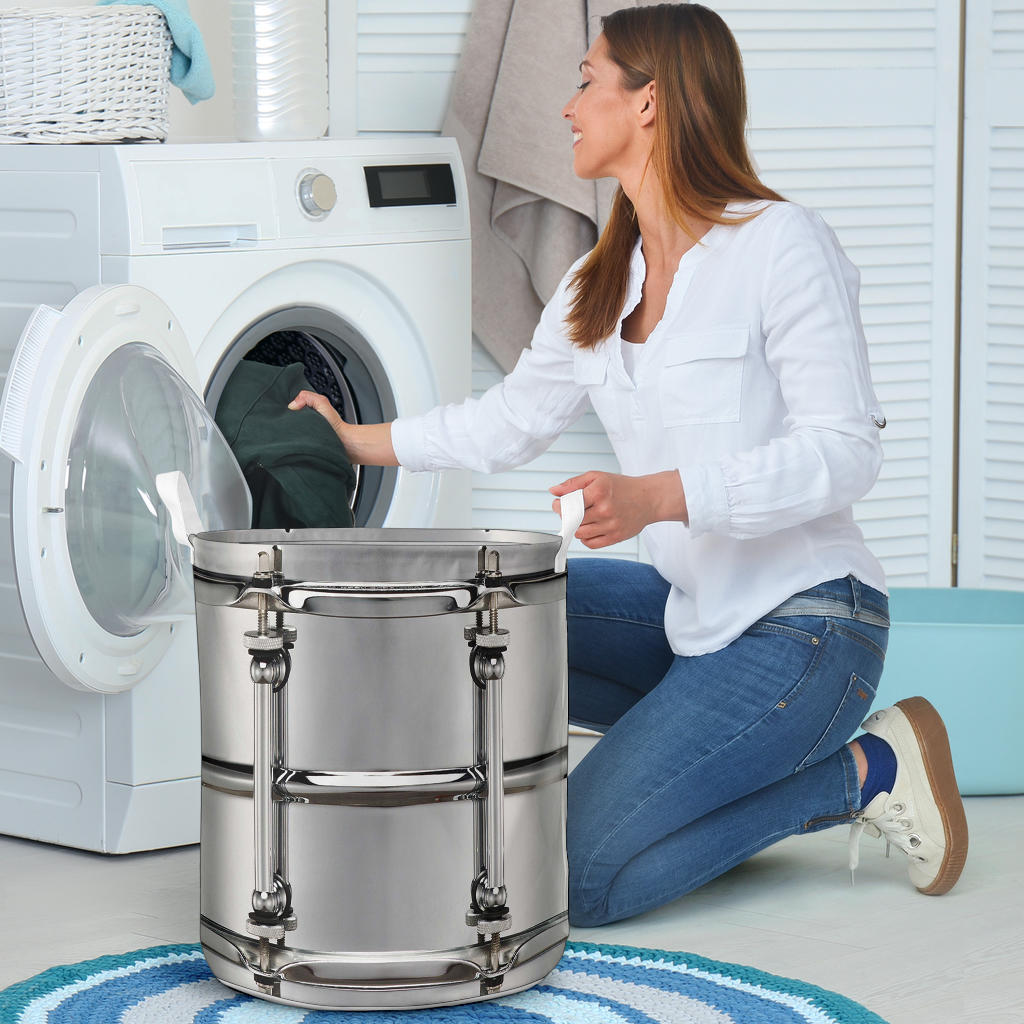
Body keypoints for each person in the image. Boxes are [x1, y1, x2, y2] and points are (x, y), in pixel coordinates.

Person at [289, 2, 968, 927]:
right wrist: (362, 438)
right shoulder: (597, 281)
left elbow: (846, 454)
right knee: (475, 616)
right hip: (695, 619)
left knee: (575, 882)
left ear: (649, 103)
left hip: (809, 627)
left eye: (585, 81)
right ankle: (641, 774)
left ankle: (865, 773)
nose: (566, 106)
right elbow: (510, 422)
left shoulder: (779, 244)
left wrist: (660, 497)